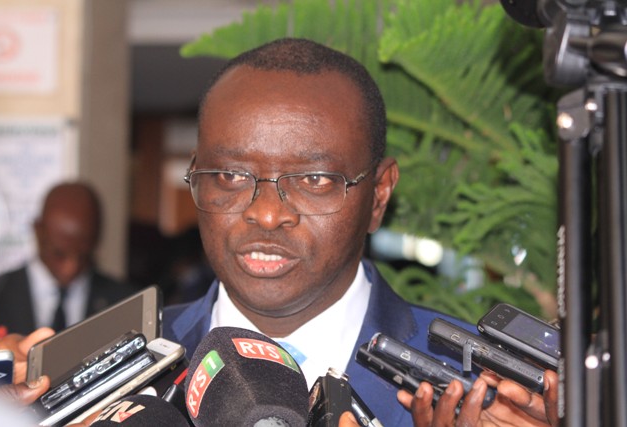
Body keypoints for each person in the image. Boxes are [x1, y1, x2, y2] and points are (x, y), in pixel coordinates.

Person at [161, 37, 558, 426]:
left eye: (314, 179)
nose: (266, 214)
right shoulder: (136, 368)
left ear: (379, 194)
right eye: (230, 175)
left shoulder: (494, 394)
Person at [0, 181, 136, 336]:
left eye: (83, 256)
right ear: (38, 231)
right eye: (59, 254)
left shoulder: (124, 303)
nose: (71, 268)